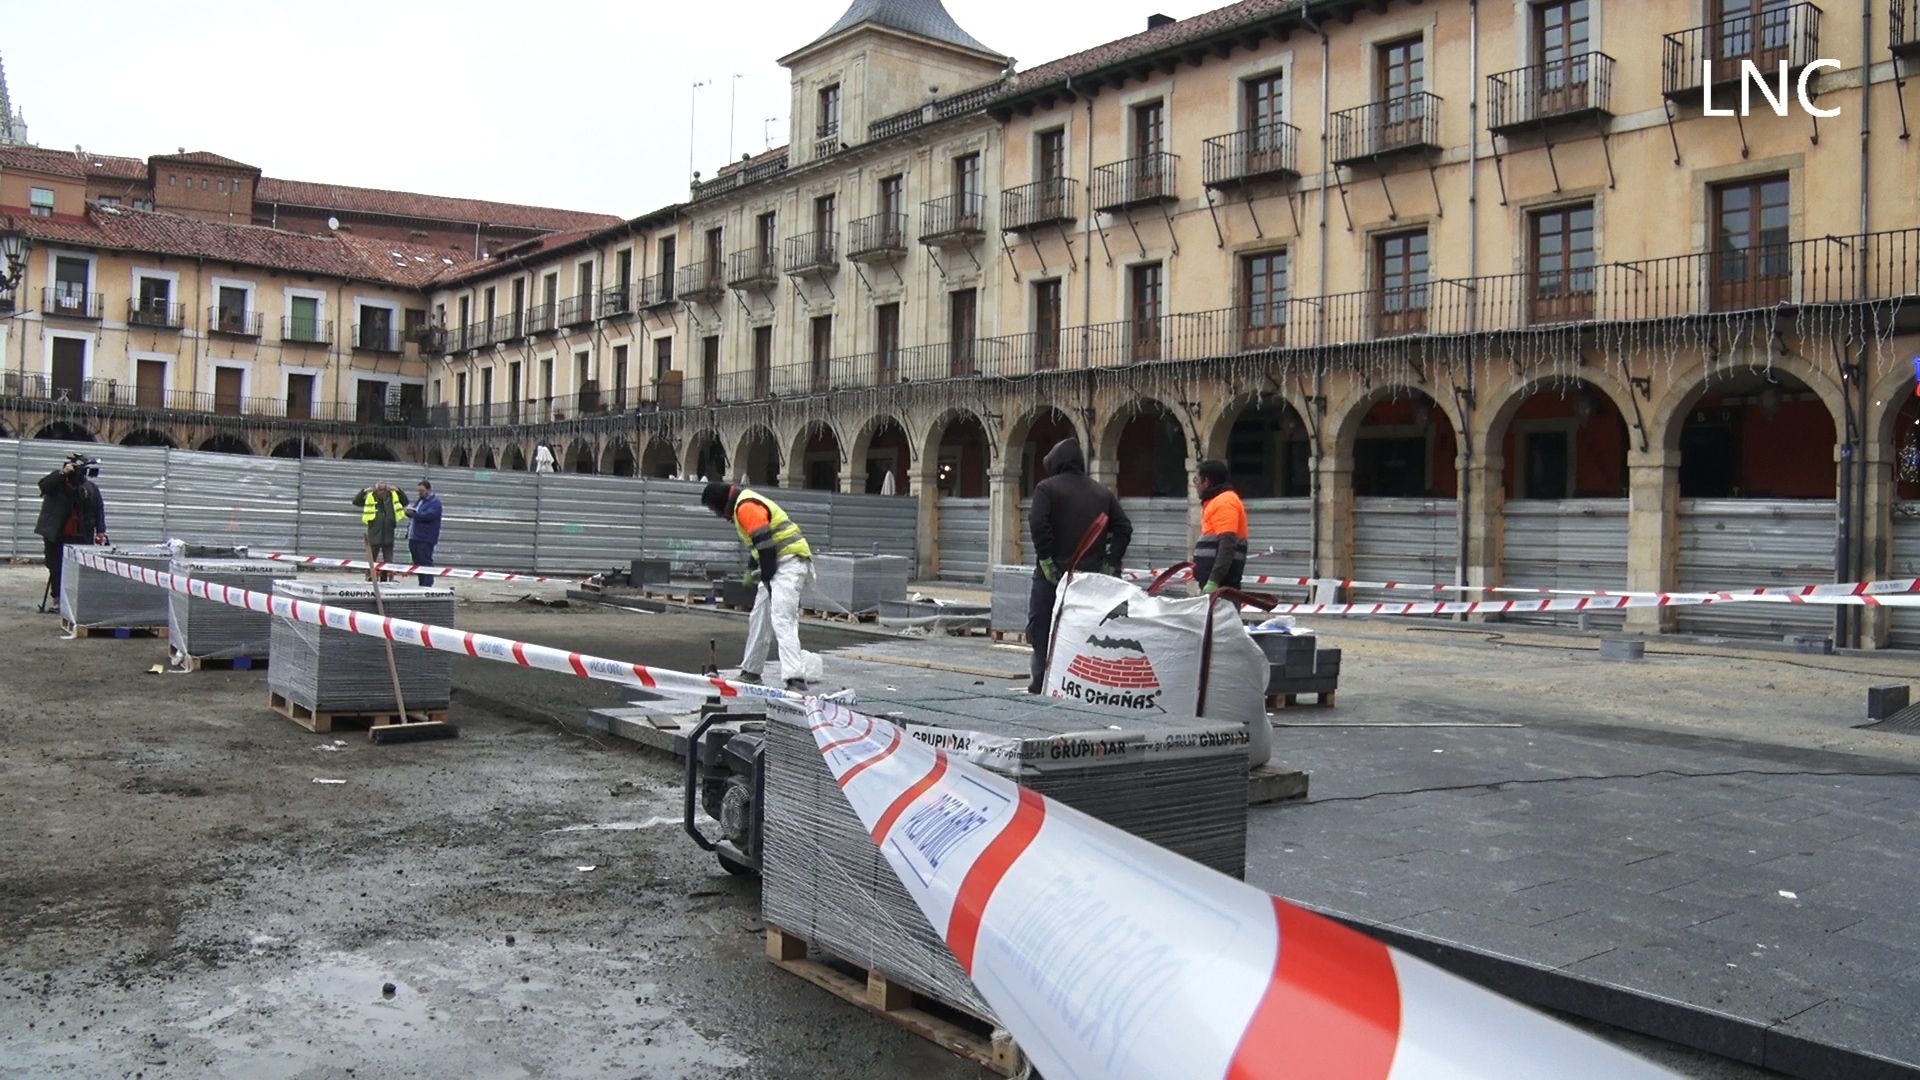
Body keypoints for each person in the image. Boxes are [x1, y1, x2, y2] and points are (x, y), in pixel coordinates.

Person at [1025, 438, 1132, 694]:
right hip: (1089, 583)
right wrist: (1110, 563)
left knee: (1042, 633)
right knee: (1083, 636)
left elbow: (1038, 522)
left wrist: (1046, 559)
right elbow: (1123, 528)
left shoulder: (1046, 489)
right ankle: (1075, 685)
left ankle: (1041, 685)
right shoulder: (1101, 492)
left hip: (1054, 579)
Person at [701, 482, 814, 692]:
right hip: (778, 561)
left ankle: (795, 678)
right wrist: (752, 569)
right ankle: (751, 672)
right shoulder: (742, 506)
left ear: (719, 504)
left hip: (789, 561)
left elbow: (766, 546)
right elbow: (758, 545)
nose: (717, 515)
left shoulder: (745, 507)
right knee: (759, 618)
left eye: (713, 509)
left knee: (782, 618)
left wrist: (767, 576)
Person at [35, 454, 107, 613]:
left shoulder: (90, 488)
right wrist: (63, 472)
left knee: (81, 569)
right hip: (56, 533)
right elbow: (43, 486)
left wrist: (100, 531)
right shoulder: (57, 482)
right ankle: (57, 600)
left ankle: (77, 600)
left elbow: (99, 509)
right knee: (56, 567)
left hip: (81, 534)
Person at [1193, 458, 1248, 594]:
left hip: (1222, 584)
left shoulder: (1224, 502)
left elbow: (1227, 543)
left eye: (1196, 480)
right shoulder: (1217, 501)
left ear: (1206, 482)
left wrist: (1214, 580)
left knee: (1222, 615)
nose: (1195, 485)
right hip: (1218, 582)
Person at [353, 481, 408, 578]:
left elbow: (405, 502)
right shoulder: (370, 496)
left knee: (388, 560)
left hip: (388, 533)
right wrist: (364, 491)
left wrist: (399, 491)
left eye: (384, 490)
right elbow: (356, 502)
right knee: (372, 558)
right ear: (376, 490)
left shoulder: (392, 497)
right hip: (374, 533)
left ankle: (389, 577)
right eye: (380, 490)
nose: (382, 492)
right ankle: (370, 576)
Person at [403, 480, 443, 587]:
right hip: (414, 538)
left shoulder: (435, 503)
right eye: (418, 491)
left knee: (425, 562)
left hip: (425, 539)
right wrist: (408, 513)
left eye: (422, 491)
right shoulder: (420, 501)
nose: (420, 493)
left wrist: (413, 514)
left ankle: (427, 585)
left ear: (429, 490)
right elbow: (416, 514)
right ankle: (422, 584)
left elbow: (427, 516)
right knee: (418, 563)